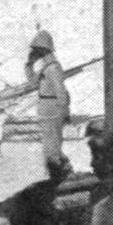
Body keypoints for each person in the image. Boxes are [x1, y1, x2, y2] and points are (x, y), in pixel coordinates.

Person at [26, 29, 71, 181]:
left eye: (36, 51)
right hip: (46, 108)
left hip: (52, 108)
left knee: (52, 147)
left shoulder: (53, 68)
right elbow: (33, 83)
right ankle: (59, 174)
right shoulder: (46, 67)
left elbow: (61, 91)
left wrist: (64, 111)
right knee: (50, 145)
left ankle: (58, 177)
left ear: (43, 50)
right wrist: (29, 66)